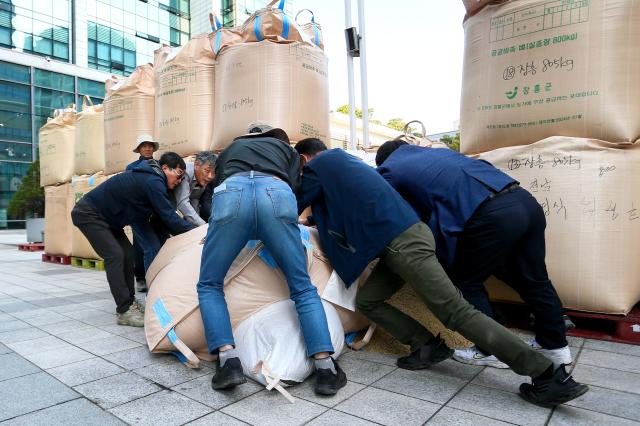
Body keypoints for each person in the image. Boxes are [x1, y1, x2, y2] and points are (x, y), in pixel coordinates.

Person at [294, 138, 588, 407]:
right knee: (370, 300)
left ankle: (548, 374)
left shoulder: (323, 164)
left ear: (305, 160)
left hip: (404, 245)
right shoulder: (350, 168)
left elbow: (293, 201)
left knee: (455, 312)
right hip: (401, 241)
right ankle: (427, 344)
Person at [375, 141, 570, 369]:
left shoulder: (389, 169)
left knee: (465, 281)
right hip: (525, 201)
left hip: (491, 214)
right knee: (534, 278)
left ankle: (491, 350)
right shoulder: (438, 154)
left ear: (384, 160)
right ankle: (555, 346)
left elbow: (405, 217)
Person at [197, 124, 346, 395]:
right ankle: (325, 368)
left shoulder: (231, 148)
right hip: (276, 193)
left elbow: (217, 188)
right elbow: (296, 187)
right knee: (301, 286)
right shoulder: (284, 149)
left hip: (231, 195)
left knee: (209, 284)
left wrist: (218, 229)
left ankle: (228, 361)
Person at [71, 152, 197, 327]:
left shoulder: (151, 179)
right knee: (115, 255)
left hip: (108, 220)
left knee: (128, 254)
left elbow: (165, 219)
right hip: (88, 214)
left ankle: (130, 302)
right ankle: (124, 311)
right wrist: (196, 233)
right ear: (165, 168)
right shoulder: (153, 182)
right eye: (178, 174)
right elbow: (169, 217)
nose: (179, 180)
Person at [126, 134, 160, 293]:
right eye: (144, 146)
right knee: (140, 246)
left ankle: (155, 275)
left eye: (150, 145)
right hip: (138, 212)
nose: (147, 148)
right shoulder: (132, 167)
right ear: (139, 149)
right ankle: (140, 277)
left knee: (157, 243)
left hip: (155, 211)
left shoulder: (160, 165)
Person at [173, 151, 217, 226]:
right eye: (207, 171)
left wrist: (198, 223)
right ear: (196, 165)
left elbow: (195, 198)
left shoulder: (202, 179)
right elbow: (182, 203)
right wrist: (203, 225)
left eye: (213, 173)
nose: (210, 176)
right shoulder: (186, 172)